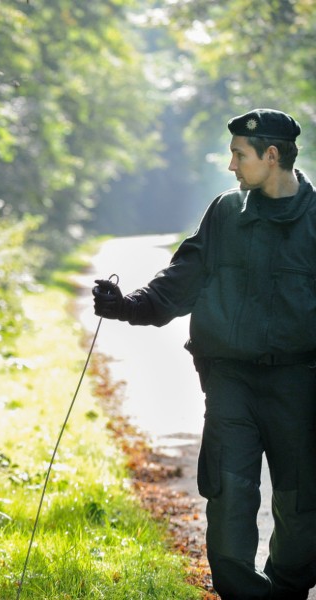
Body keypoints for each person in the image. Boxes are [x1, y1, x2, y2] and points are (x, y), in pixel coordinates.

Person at [92, 108, 316, 600]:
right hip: (230, 381)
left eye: (239, 154)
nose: (232, 166)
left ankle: (286, 590)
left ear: (271, 155)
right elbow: (181, 280)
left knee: (303, 512)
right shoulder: (224, 213)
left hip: (300, 385)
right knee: (231, 495)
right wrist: (128, 306)